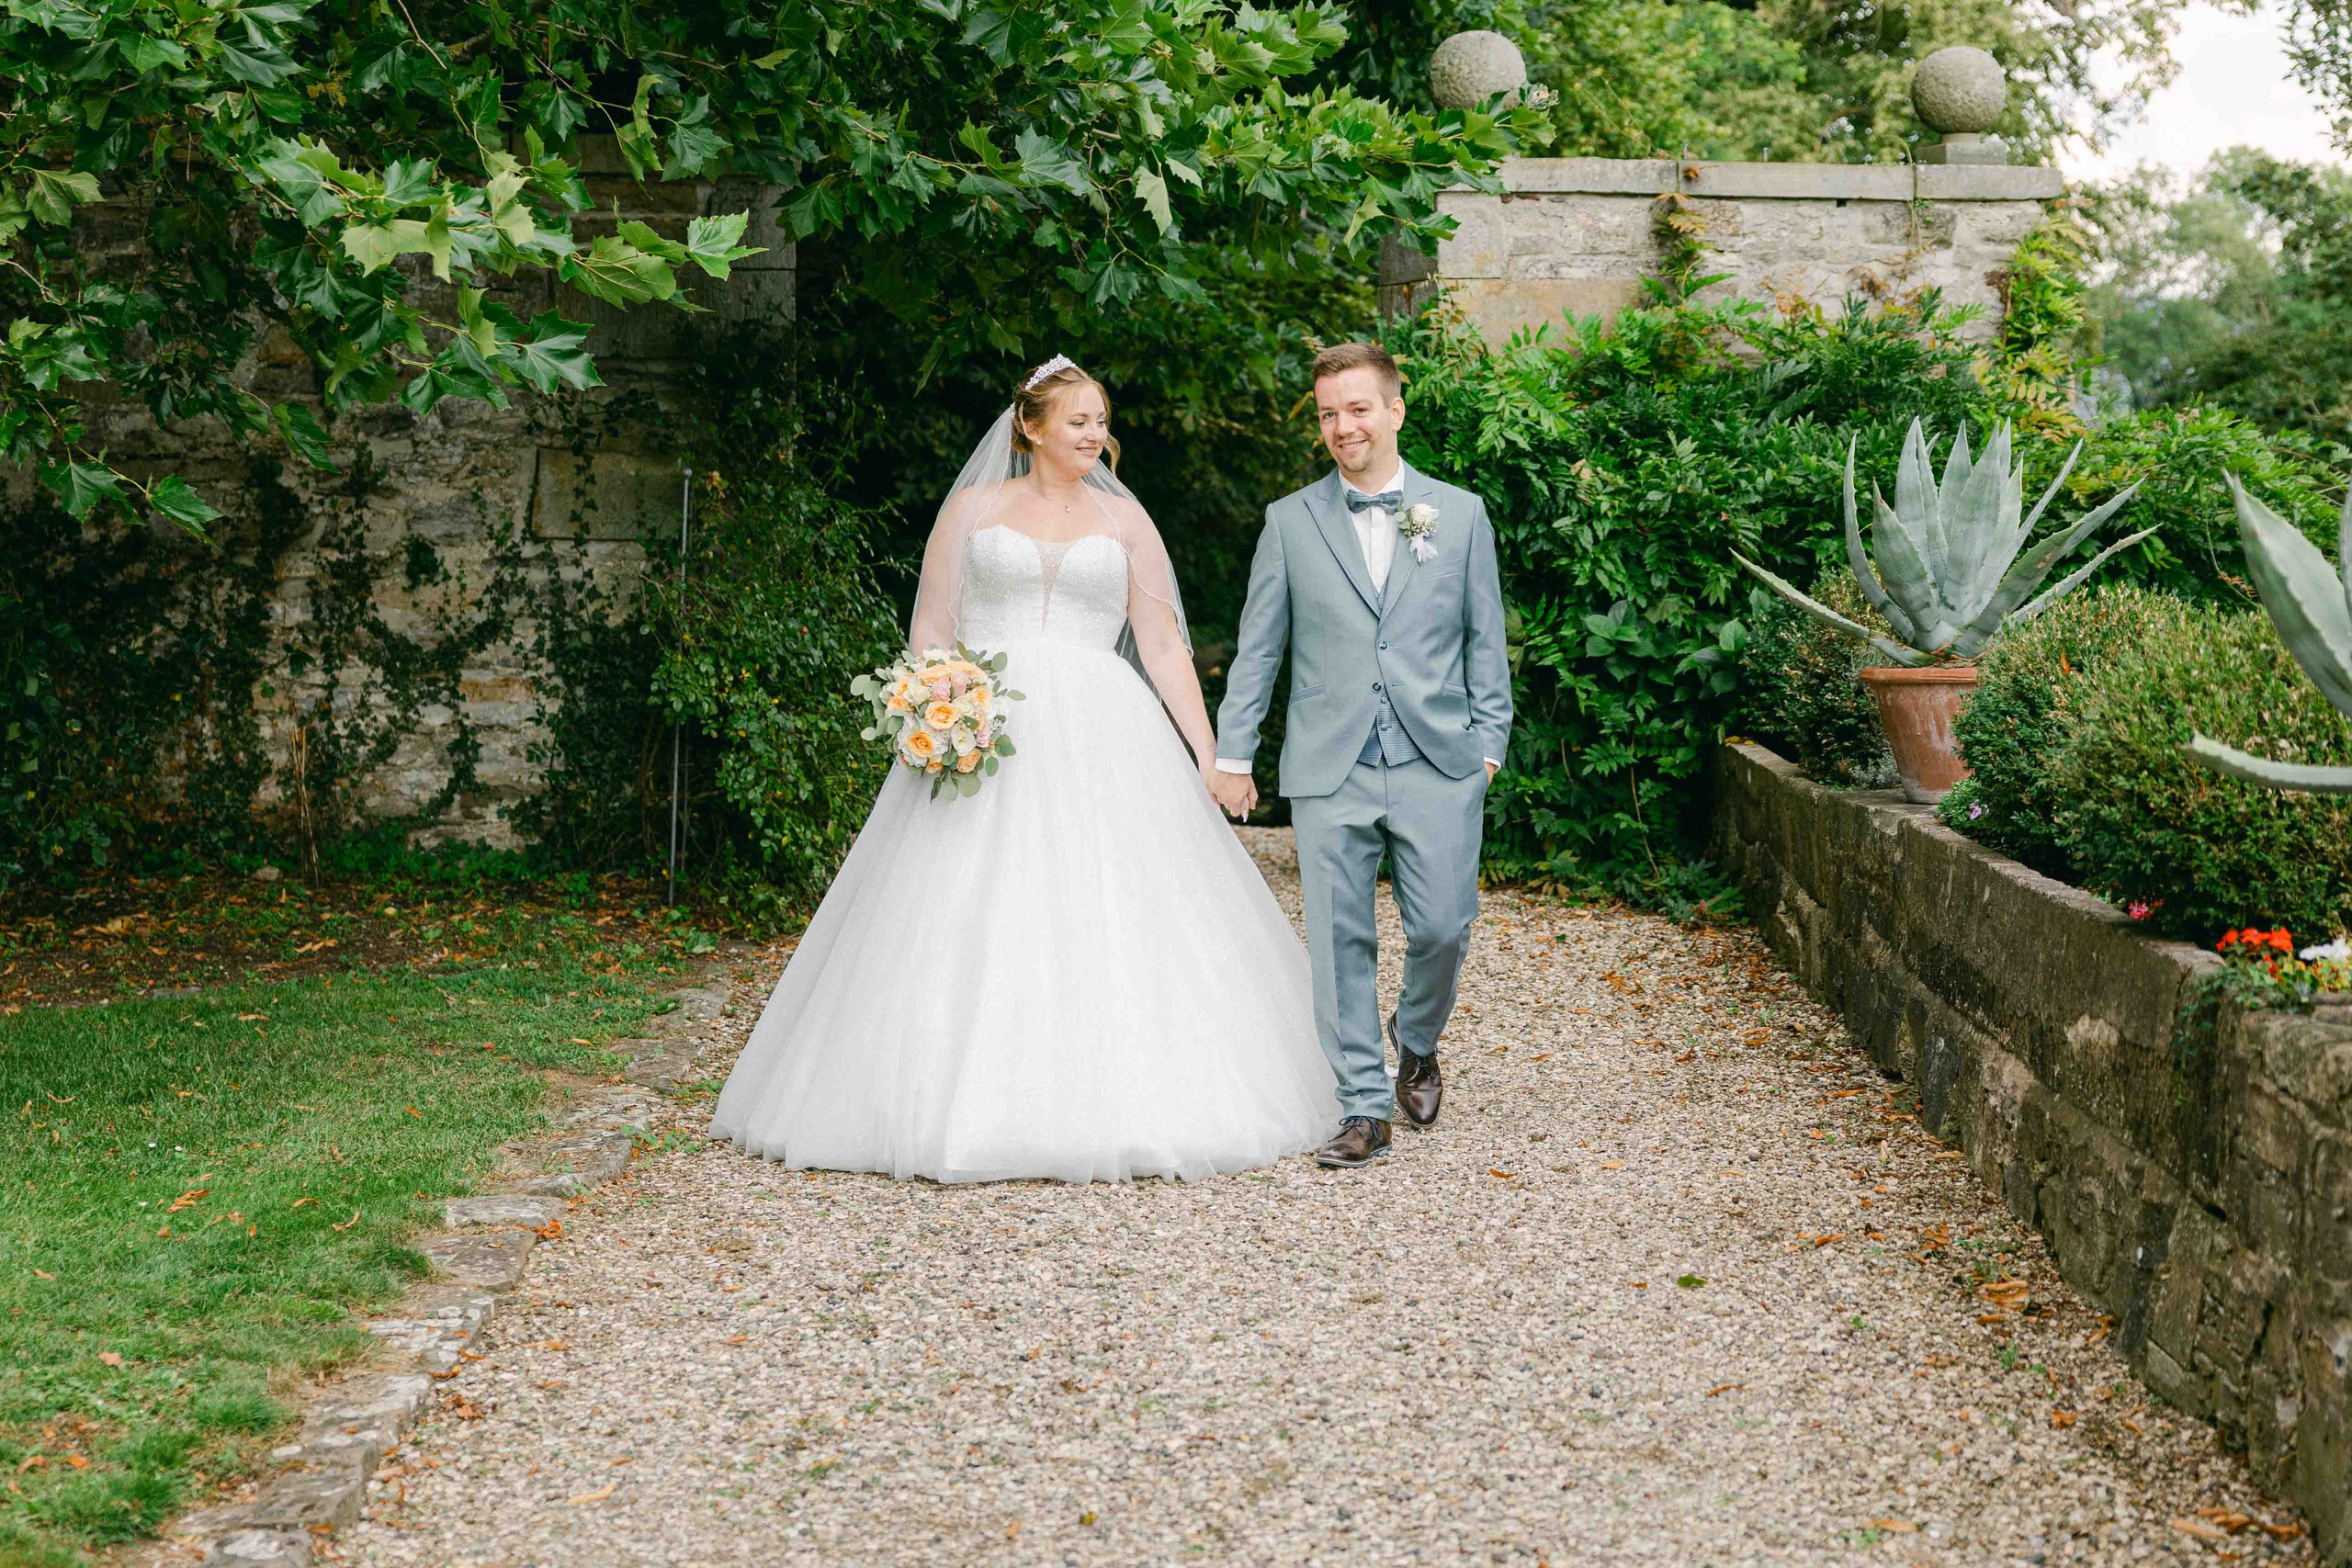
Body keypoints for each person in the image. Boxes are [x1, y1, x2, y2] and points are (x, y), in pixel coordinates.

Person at [707, 356, 1339, 1182]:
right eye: (1078, 420)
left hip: (1107, 731)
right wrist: (937, 702)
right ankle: (941, 1098)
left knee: (1111, 900)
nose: (1094, 434)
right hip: (987, 726)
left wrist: (1209, 750)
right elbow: (931, 624)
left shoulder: (1127, 525)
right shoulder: (972, 510)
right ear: (1031, 427)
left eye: (1101, 420)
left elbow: (1162, 645)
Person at [1207, 342, 1513, 1169]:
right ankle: (1363, 1106)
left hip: (1439, 757)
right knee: (1339, 938)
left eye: (1357, 409)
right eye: (1328, 415)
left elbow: (1486, 641)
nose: (1342, 427)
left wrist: (1488, 747)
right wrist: (1234, 750)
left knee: (1444, 925)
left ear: (1395, 410)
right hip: (1328, 762)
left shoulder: (1462, 514)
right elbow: (1259, 648)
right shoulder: (1289, 521)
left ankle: (1417, 1039)